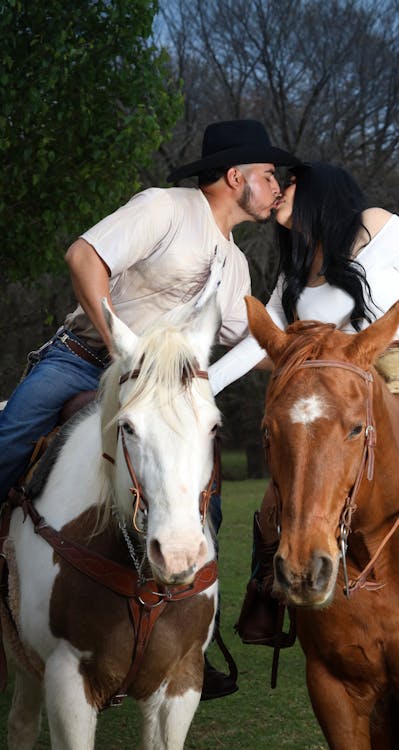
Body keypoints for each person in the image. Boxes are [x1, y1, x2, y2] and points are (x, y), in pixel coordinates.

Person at [0, 119, 300, 696]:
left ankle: (186, 639)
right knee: (10, 442)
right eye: (269, 174)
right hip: (85, 357)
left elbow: (255, 344)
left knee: (200, 495)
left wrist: (313, 354)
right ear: (237, 177)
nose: (278, 185)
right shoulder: (165, 208)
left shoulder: (234, 265)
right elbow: (83, 256)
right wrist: (122, 351)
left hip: (161, 392)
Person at [207, 161, 399, 645]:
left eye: (289, 182)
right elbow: (267, 341)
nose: (277, 191)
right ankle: (265, 599)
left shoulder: (376, 225)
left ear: (318, 188)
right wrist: (207, 380)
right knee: (271, 506)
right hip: (344, 397)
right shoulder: (297, 268)